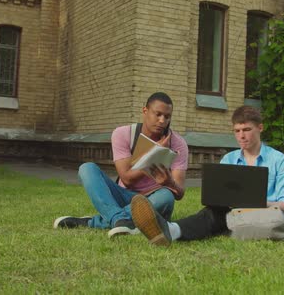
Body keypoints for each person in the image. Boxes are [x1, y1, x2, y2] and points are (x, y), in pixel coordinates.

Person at [130, 105, 284, 246]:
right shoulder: (229, 159)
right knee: (212, 213)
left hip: (266, 216)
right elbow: (217, 198)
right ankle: (170, 230)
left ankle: (228, 230)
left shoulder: (279, 161)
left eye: (247, 130)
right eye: (237, 131)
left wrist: (255, 202)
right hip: (233, 214)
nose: (241, 136)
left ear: (260, 128)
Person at [54, 92, 189, 238]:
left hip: (154, 200)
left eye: (167, 116)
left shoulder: (178, 144)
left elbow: (179, 193)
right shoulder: (123, 134)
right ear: (145, 111)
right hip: (124, 195)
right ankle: (122, 219)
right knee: (86, 168)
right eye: (158, 114)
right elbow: (127, 179)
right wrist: (154, 154)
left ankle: (98, 221)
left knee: (167, 196)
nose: (162, 120)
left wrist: (169, 182)